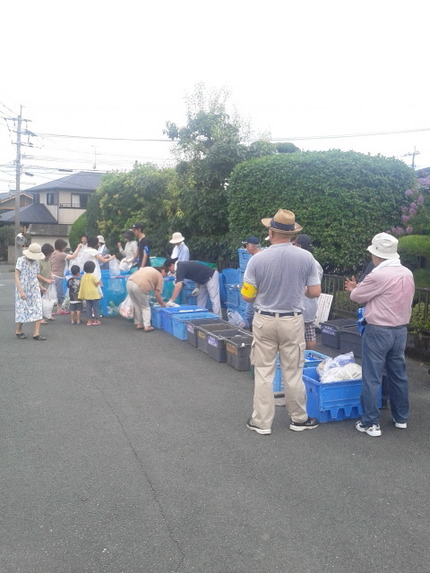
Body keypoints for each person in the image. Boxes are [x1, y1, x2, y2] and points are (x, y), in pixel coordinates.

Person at [241, 209, 321, 435]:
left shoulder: (257, 259)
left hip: (264, 320)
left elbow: (247, 296)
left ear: (270, 232)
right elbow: (315, 291)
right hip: (292, 320)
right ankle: (299, 418)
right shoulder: (306, 257)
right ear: (293, 234)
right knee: (293, 372)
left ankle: (261, 422)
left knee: (264, 372)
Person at [345, 232, 415, 437]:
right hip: (400, 330)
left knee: (372, 376)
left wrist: (354, 288)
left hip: (378, 330)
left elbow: (357, 296)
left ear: (377, 256)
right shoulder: (406, 273)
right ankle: (401, 417)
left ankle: (370, 422)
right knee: (398, 374)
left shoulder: (378, 274)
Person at [294, 234, 324, 350]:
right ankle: (309, 358)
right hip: (311, 305)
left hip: (301, 305)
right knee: (310, 334)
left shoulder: (304, 262)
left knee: (300, 337)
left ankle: (301, 358)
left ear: (300, 246)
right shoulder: (315, 263)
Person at [15, 242, 47, 341]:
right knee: (22, 309)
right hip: (23, 288)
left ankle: (36, 333)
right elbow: (16, 276)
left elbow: (35, 276)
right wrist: (21, 290)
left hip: (34, 288)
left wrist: (41, 286)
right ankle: (19, 330)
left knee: (38, 308)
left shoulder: (36, 262)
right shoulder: (21, 260)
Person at [126, 266, 167, 331]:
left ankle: (139, 324)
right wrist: (162, 304)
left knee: (137, 305)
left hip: (129, 282)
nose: (165, 274)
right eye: (165, 272)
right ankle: (147, 326)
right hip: (141, 285)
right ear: (163, 271)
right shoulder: (160, 276)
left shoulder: (148, 268)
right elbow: (157, 294)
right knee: (145, 307)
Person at [50, 239, 81, 314]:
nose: (64, 249)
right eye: (64, 247)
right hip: (58, 276)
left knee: (53, 294)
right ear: (61, 247)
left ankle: (54, 310)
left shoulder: (53, 253)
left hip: (52, 275)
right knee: (59, 294)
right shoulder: (61, 254)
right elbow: (73, 256)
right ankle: (58, 309)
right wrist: (78, 247)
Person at [241, 236, 263, 328]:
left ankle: (255, 336)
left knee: (250, 315)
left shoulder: (255, 259)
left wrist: (247, 296)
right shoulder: (263, 256)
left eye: (246, 245)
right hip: (262, 292)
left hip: (256, 292)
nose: (246, 248)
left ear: (251, 246)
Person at [78, 260, 102, 326]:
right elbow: (97, 283)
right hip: (94, 295)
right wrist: (100, 284)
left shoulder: (83, 276)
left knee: (88, 307)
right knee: (96, 307)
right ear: (93, 269)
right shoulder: (93, 276)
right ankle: (96, 320)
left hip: (87, 295)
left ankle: (89, 321)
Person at [37, 243, 55, 324]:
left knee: (45, 301)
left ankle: (46, 315)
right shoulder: (39, 261)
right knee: (39, 302)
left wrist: (51, 275)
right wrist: (46, 280)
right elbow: (36, 274)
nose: (51, 255)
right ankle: (39, 318)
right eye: (50, 253)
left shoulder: (48, 261)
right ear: (47, 253)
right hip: (39, 285)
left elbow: (50, 270)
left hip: (46, 285)